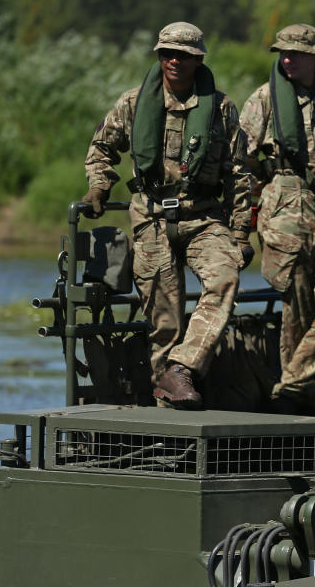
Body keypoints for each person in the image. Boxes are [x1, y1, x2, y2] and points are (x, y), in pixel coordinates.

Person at [82, 21, 254, 410]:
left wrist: (241, 234)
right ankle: (169, 413)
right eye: (167, 54)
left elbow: (239, 173)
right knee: (165, 323)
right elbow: (102, 148)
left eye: (184, 55)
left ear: (198, 60)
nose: (174, 61)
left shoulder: (221, 108)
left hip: (203, 216)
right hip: (152, 217)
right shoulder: (133, 103)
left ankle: (182, 367)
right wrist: (99, 186)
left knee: (226, 276)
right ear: (160, 57)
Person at [239, 24, 315, 414]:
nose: (287, 59)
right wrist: (253, 207)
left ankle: (291, 386)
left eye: (296, 53)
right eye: (282, 52)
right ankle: (302, 398)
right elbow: (241, 158)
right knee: (297, 310)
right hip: (284, 205)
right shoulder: (265, 99)